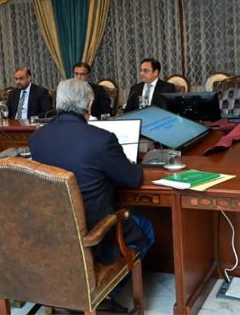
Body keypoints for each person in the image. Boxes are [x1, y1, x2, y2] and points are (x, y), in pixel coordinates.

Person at [29, 79, 154, 264]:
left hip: (55, 231)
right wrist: (128, 163)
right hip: (97, 234)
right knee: (146, 228)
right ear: (89, 105)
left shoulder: (36, 138)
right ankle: (119, 281)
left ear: (58, 103)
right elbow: (133, 179)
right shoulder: (102, 139)